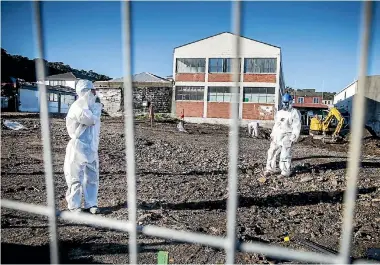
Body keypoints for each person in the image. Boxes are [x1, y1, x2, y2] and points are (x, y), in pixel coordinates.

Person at [63, 79, 103, 213]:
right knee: (75, 177)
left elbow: (95, 128)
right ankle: (74, 206)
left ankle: (91, 204)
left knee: (92, 177)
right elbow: (90, 120)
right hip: (78, 146)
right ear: (86, 91)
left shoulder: (91, 106)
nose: (95, 92)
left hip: (91, 147)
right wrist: (97, 109)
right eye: (92, 90)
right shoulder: (78, 106)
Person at [264, 93, 301, 177]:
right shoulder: (279, 113)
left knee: (285, 154)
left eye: (287, 102)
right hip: (277, 135)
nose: (286, 104)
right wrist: (273, 134)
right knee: (271, 152)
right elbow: (276, 125)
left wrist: (293, 137)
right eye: (284, 102)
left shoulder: (294, 113)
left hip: (287, 135)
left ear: (291, 102)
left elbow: (296, 126)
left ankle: (285, 172)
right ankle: (269, 169)